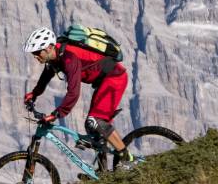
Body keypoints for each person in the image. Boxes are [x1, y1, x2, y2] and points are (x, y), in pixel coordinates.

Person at [21, 26, 136, 163]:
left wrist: (56, 114)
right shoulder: (55, 56)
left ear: (49, 48)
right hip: (103, 81)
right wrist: (34, 94)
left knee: (95, 120)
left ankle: (127, 157)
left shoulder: (69, 58)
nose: (34, 56)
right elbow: (46, 75)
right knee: (91, 127)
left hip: (115, 78)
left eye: (37, 52)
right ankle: (102, 170)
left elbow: (73, 92)